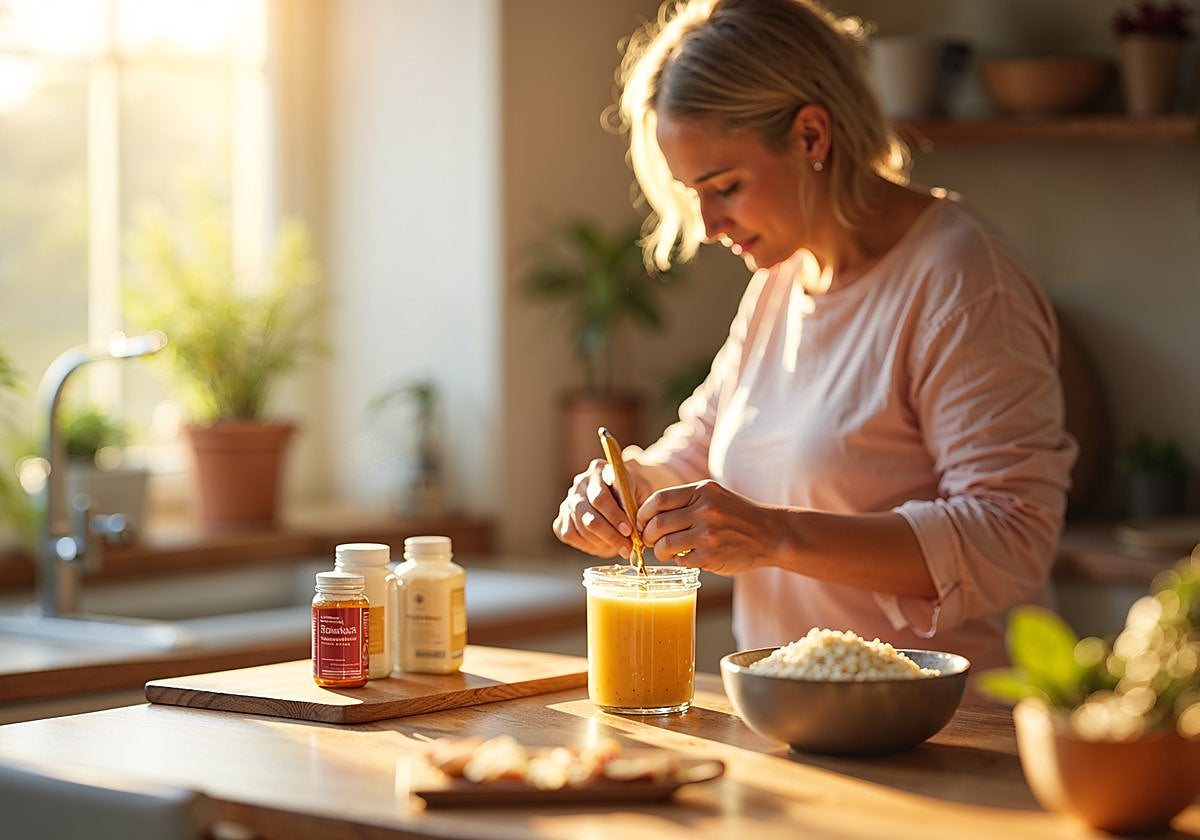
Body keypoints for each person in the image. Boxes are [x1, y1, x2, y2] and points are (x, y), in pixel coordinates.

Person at [552, 0, 1078, 682]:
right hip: (792, 717)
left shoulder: (962, 278)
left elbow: (1011, 538)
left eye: (726, 186)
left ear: (810, 136)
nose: (708, 225)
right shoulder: (782, 281)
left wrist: (774, 535)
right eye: (693, 194)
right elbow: (700, 447)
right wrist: (629, 487)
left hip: (947, 731)